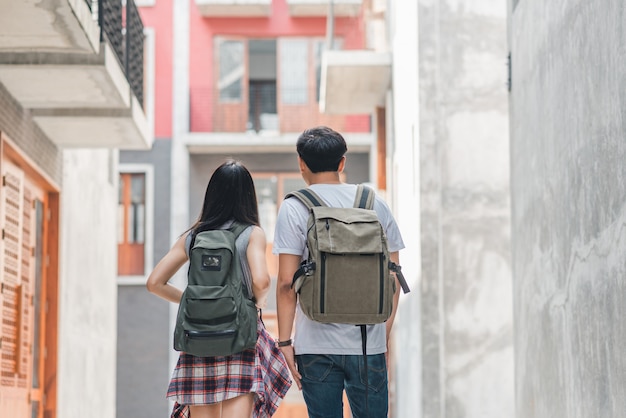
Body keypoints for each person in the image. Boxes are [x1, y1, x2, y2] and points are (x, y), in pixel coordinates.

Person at [273, 126, 405, 417]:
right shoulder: (374, 205)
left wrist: (284, 343)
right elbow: (393, 276)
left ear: (301, 163)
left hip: (315, 346)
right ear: (342, 162)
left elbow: (285, 284)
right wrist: (382, 333)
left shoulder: (295, 207)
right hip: (367, 342)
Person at [147, 159, 292, 418]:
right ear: (248, 196)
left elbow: (154, 282)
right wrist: (257, 301)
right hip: (240, 337)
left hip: (199, 339)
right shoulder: (251, 233)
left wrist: (193, 301)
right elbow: (262, 281)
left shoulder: (192, 237)